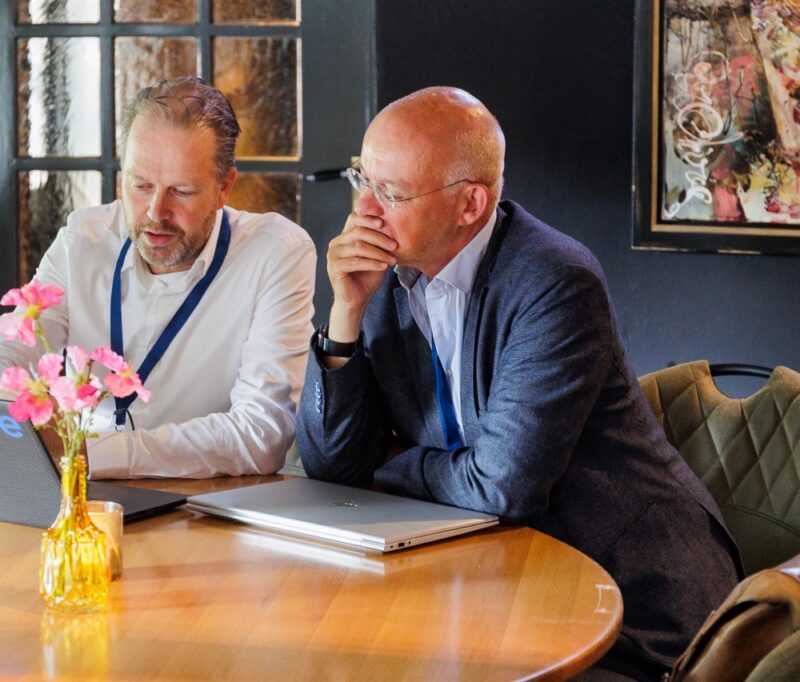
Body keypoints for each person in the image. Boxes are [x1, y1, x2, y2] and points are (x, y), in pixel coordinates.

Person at [295, 86, 742, 680]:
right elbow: (329, 466)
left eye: (391, 193)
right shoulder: (381, 276)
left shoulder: (554, 282)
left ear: (470, 204)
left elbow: (503, 487)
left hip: (632, 604)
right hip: (490, 580)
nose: (365, 211)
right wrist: (344, 315)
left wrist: (388, 465)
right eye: (363, 179)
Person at [0, 77, 316, 479]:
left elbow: (261, 435)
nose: (155, 212)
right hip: (80, 487)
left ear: (224, 188)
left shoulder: (276, 253)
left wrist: (91, 455)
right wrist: (4, 414)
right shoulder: (82, 240)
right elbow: (2, 355)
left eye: (181, 191)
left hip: (212, 502)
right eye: (140, 185)